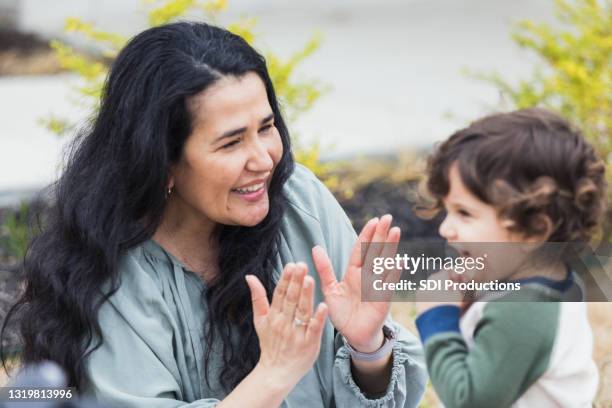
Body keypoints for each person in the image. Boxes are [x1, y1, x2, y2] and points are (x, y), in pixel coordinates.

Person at [2, 22, 427, 407]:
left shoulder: (302, 202)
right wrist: (273, 376)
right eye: (231, 143)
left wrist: (367, 347)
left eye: (265, 127)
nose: (263, 159)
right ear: (162, 162)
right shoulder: (108, 272)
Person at [414, 108, 604, 407]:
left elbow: (472, 401)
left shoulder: (522, 310)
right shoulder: (546, 284)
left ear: (532, 231)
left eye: (464, 213)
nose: (445, 228)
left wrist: (438, 317)